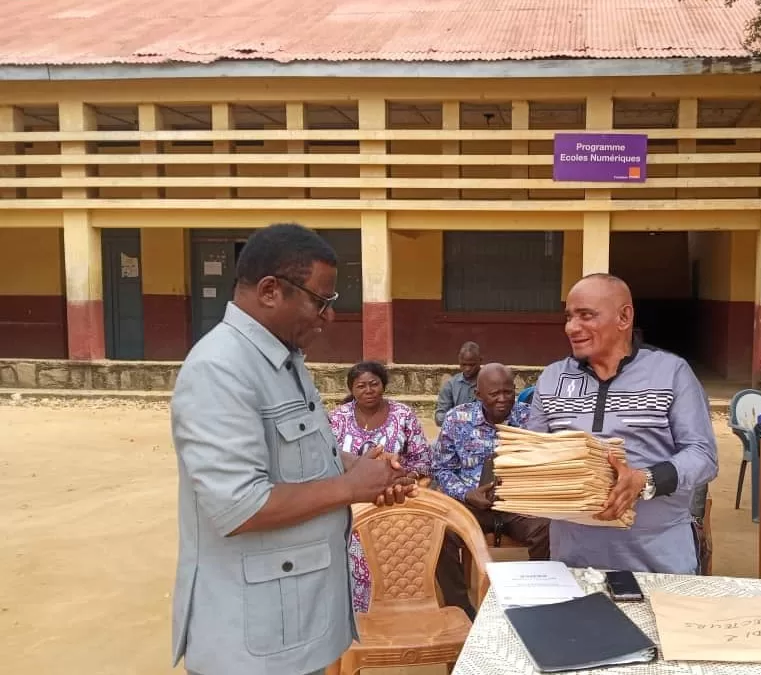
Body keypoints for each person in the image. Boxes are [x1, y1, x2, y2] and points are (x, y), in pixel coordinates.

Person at [170, 223, 416, 675]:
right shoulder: (220, 370)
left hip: (294, 623)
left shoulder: (284, 361)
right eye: (321, 301)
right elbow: (239, 507)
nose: (328, 317)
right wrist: (349, 487)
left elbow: (307, 451)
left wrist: (368, 469)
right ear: (269, 291)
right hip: (252, 639)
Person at [526, 273, 718, 574]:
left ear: (624, 317)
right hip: (573, 560)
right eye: (568, 317)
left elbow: (703, 456)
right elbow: (532, 454)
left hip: (658, 559)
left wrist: (646, 479)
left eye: (585, 315)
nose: (572, 328)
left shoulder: (671, 373)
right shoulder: (552, 379)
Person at [432, 362, 550, 619]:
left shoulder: (530, 419)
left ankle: (539, 601)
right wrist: (466, 493)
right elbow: (441, 469)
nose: (502, 399)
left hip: (518, 505)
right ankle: (461, 608)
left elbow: (544, 462)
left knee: (549, 528)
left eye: (508, 392)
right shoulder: (457, 419)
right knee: (441, 532)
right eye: (494, 393)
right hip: (472, 505)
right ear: (478, 394)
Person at [328, 360, 433, 613]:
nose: (368, 390)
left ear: (383, 385)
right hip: (347, 502)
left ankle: (395, 610)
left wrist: (405, 476)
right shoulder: (337, 418)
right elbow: (323, 459)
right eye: (361, 386)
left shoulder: (403, 415)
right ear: (352, 390)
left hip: (395, 499)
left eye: (374, 384)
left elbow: (425, 461)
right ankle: (355, 612)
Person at [434, 341, 482, 426]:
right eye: (464, 364)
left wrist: (455, 417)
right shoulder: (451, 385)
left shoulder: (489, 383)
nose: (467, 369)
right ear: (459, 361)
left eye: (472, 365)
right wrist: (464, 417)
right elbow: (439, 417)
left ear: (480, 361)